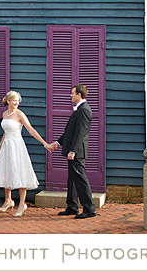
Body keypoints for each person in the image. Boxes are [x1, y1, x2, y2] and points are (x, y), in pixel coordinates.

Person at [0, 90, 50, 217]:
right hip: (7, 146)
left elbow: (30, 129)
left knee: (19, 172)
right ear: (8, 101)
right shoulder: (4, 114)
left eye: (18, 100)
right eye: (14, 100)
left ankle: (22, 204)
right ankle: (8, 201)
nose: (16, 102)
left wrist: (45, 143)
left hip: (17, 146)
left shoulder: (20, 114)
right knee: (6, 170)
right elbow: (5, 132)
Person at [47, 84, 97, 219]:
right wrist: (57, 143)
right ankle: (72, 207)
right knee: (72, 180)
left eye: (72, 93)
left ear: (79, 95)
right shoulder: (79, 109)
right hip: (73, 150)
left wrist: (73, 150)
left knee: (80, 179)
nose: (70, 95)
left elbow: (80, 133)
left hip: (78, 151)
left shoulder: (84, 110)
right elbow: (70, 132)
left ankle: (89, 209)